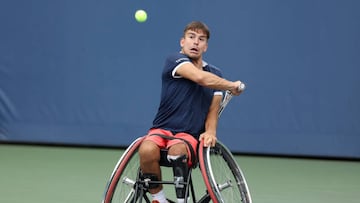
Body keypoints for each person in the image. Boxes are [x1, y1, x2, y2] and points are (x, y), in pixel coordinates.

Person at [138, 21, 243, 203]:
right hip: (161, 129)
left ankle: (182, 201)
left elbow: (213, 110)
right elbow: (200, 78)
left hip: (187, 135)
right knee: (146, 149)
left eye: (201, 39)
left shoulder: (215, 73)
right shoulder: (174, 61)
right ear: (182, 42)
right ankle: (159, 200)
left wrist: (210, 131)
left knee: (177, 150)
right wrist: (231, 85)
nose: (195, 43)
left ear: (206, 46)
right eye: (191, 37)